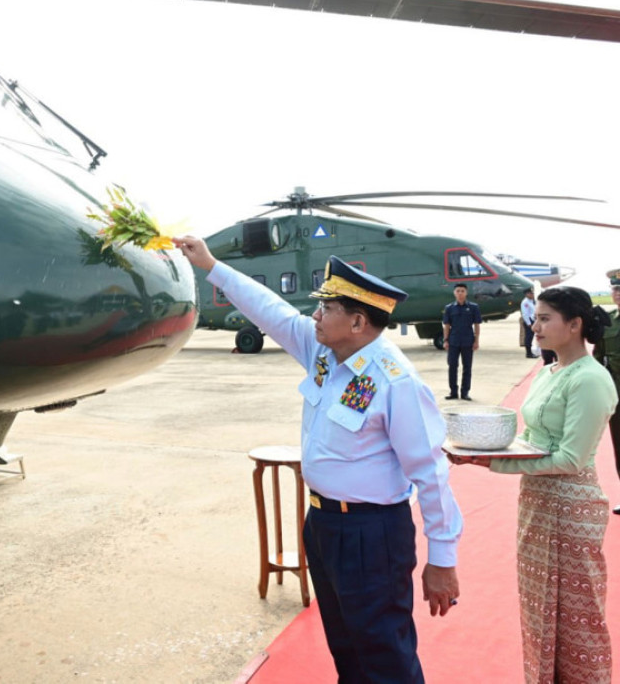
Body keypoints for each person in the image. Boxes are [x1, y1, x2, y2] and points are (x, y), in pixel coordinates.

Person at [174, 236, 461, 683]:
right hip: (324, 525)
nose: (315, 316)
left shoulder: (395, 381)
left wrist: (442, 557)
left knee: (384, 654)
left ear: (359, 321)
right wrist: (210, 264)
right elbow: (270, 309)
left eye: (326, 309)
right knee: (346, 649)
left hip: (372, 534)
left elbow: (430, 470)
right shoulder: (325, 353)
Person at [449, 286, 617, 684]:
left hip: (572, 508)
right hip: (538, 501)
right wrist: (482, 448)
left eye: (545, 319)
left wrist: (490, 461)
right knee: (539, 608)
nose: (534, 325)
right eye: (535, 317)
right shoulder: (549, 371)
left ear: (574, 325)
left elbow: (571, 459)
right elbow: (533, 439)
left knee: (579, 619)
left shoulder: (591, 379)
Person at [593, 276, 620, 514]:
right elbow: (598, 355)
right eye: (616, 288)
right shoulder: (608, 321)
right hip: (616, 394)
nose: (619, 293)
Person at [442, 284, 481, 400]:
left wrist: (476, 341)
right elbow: (447, 326)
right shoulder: (449, 308)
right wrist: (445, 340)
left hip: (468, 341)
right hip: (453, 341)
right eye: (458, 291)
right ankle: (453, 392)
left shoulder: (474, 307)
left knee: (467, 367)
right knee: (452, 366)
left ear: (466, 293)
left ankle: (465, 392)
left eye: (462, 291)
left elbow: (477, 325)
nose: (460, 293)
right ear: (454, 293)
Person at [520, 288, 537, 358]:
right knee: (528, 337)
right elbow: (525, 314)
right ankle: (528, 353)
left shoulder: (533, 301)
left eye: (532, 293)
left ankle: (530, 352)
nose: (532, 295)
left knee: (531, 337)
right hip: (529, 321)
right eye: (531, 293)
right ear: (527, 294)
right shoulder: (525, 302)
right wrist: (529, 323)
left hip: (533, 320)